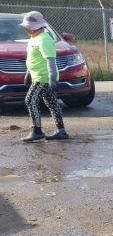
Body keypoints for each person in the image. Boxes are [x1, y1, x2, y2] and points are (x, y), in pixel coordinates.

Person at [20, 11, 68, 142]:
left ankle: (37, 131)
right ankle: (61, 131)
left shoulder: (44, 39)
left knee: (30, 100)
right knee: (52, 103)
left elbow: (50, 60)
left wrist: (52, 78)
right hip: (37, 76)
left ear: (38, 26)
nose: (27, 29)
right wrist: (28, 73)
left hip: (44, 77)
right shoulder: (34, 38)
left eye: (29, 27)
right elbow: (34, 58)